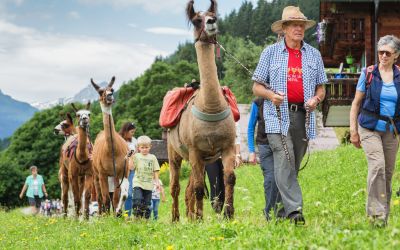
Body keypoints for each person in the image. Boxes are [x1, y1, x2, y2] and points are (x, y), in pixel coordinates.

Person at [252, 6, 327, 224]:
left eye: (302, 25)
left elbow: (321, 88)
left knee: (292, 166)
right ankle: (295, 212)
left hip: (303, 117)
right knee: (285, 160)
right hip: (277, 115)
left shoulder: (314, 54)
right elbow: (256, 86)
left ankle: (278, 213)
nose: (299, 28)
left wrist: (316, 99)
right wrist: (270, 95)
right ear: (284, 28)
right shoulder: (270, 52)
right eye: (294, 24)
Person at [350, 35, 400, 227]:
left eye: (388, 52)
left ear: (396, 54)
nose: (383, 56)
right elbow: (355, 104)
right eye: (381, 52)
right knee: (377, 165)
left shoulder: (399, 76)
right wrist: (353, 131)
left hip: (391, 130)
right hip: (369, 127)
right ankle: (375, 216)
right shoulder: (369, 73)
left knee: (387, 173)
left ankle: (383, 219)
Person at [247, 97, 280, 220]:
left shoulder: (284, 98)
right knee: (270, 179)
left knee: (282, 178)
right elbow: (251, 127)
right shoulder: (258, 102)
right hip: (264, 145)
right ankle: (270, 213)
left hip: (282, 144)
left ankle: (281, 211)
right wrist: (251, 151)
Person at [205, 122, 242, 213]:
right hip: (211, 157)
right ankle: (217, 211)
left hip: (226, 157)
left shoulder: (231, 118)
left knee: (224, 185)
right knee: (215, 185)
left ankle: (225, 209)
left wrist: (237, 155)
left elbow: (236, 139)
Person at [130, 135, 160, 219]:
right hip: (138, 183)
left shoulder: (152, 157)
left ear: (150, 147)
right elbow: (131, 168)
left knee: (147, 204)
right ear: (138, 148)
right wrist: (131, 158)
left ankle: (146, 220)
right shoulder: (136, 156)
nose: (144, 149)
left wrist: (157, 182)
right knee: (137, 200)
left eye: (146, 147)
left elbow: (156, 170)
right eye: (142, 147)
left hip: (148, 184)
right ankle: (137, 217)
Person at [118, 122, 138, 216]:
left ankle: (127, 216)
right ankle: (117, 212)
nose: (133, 134)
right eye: (131, 132)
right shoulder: (118, 140)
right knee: (118, 193)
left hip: (132, 170)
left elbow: (136, 153)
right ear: (125, 131)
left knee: (129, 194)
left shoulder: (134, 140)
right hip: (120, 170)